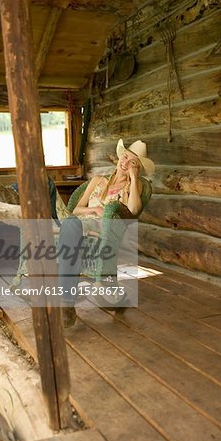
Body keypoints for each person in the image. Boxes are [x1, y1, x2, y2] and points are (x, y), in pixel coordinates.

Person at [58, 138, 155, 327]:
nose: (125, 163)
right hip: (80, 222)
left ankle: (66, 302)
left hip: (103, 229)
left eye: (133, 163)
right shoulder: (97, 181)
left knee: (67, 226)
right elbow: (76, 209)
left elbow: (134, 210)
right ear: (119, 157)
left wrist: (134, 179)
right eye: (125, 157)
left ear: (137, 168)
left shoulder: (134, 188)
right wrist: (93, 210)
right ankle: (11, 194)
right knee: (68, 222)